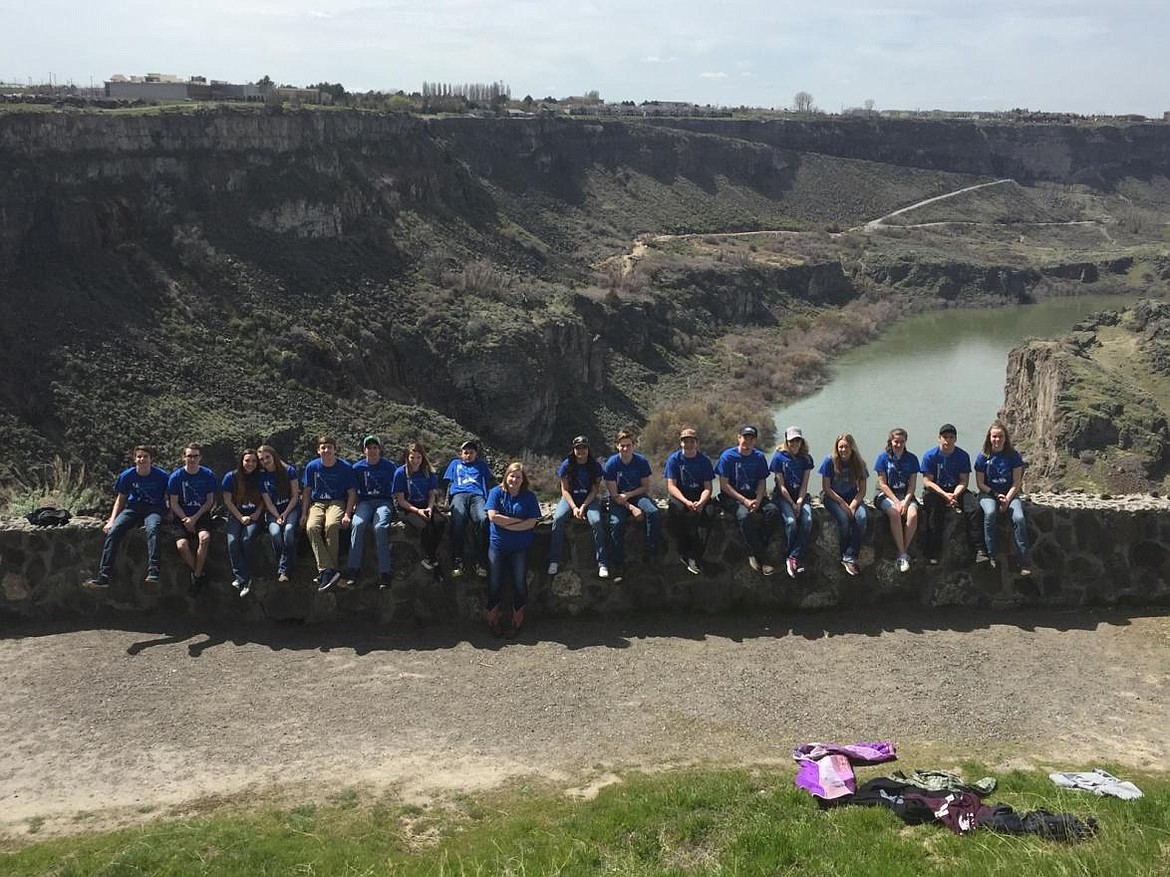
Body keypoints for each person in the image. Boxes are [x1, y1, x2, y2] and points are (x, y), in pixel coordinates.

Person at [86, 445, 170, 588]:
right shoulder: (127, 476)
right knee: (114, 531)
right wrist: (112, 520)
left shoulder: (162, 476)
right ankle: (104, 574)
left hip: (154, 509)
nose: (142, 459)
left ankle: (153, 570)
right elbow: (121, 499)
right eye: (139, 456)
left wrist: (170, 512)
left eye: (145, 456)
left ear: (151, 459)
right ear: (134, 459)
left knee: (153, 528)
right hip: (133, 508)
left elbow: (169, 496)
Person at [485, 461, 541, 636]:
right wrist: (518, 521)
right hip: (498, 545)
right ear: (506, 476)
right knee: (494, 582)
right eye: (512, 475)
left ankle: (517, 618)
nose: (514, 479)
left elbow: (532, 522)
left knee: (519, 582)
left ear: (523, 479)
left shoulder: (529, 497)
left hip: (520, 547)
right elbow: (493, 516)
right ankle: (492, 617)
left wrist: (507, 523)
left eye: (518, 477)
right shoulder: (496, 492)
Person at [716, 425, 779, 575]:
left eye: (751, 439)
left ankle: (754, 549)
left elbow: (762, 482)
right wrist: (744, 501)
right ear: (739, 438)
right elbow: (724, 485)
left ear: (754, 441)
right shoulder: (727, 456)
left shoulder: (759, 457)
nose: (747, 442)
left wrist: (758, 499)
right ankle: (762, 558)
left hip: (752, 495)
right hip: (731, 496)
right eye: (745, 438)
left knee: (773, 511)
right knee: (744, 516)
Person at [920, 423, 983, 566]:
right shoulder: (930, 456)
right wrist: (945, 495)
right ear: (939, 438)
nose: (947, 440)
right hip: (936, 490)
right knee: (935, 511)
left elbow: (964, 481)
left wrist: (954, 495)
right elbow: (927, 481)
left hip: (956, 489)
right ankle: (933, 552)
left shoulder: (962, 456)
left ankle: (979, 549)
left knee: (974, 509)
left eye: (951, 437)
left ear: (955, 439)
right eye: (944, 437)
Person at [300, 435, 357, 592]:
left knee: (331, 525)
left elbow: (352, 492)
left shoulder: (345, 467)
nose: (326, 450)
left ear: (334, 449)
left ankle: (327, 572)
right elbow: (307, 491)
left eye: (329, 447)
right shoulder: (312, 467)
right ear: (318, 450)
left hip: (337, 502)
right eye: (323, 448)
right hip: (317, 503)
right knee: (311, 527)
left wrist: (347, 514)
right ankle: (329, 570)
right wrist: (304, 513)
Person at [975, 420, 1032, 575]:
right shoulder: (982, 457)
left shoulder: (1013, 456)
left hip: (1010, 495)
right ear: (989, 438)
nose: (997, 440)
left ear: (1005, 438)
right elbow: (980, 483)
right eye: (994, 437)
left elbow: (1017, 482)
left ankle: (1024, 561)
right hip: (988, 494)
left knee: (1019, 518)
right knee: (990, 513)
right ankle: (991, 554)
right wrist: (995, 495)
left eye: (1000, 436)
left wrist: (1007, 498)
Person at [603, 430, 661, 583]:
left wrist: (629, 496)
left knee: (653, 512)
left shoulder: (641, 461)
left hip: (637, 495)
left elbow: (645, 487)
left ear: (633, 446)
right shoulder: (611, 464)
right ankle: (618, 565)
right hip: (618, 499)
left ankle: (651, 553)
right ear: (617, 446)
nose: (625, 449)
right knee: (616, 523)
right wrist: (632, 508)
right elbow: (614, 495)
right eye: (622, 446)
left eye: (628, 445)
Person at [548, 435, 608, 578]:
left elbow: (595, 490)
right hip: (570, 499)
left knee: (596, 521)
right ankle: (554, 560)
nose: (581, 451)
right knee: (558, 519)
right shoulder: (567, 465)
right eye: (578, 448)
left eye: (584, 448)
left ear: (588, 449)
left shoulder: (595, 466)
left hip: (589, 499)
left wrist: (584, 506)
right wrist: (574, 507)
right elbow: (564, 490)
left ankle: (602, 563)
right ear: (573, 450)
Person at [664, 427, 717, 575]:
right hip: (681, 495)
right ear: (681, 443)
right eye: (685, 441)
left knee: (709, 514)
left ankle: (695, 555)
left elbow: (708, 487)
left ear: (696, 443)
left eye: (691, 441)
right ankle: (684, 551)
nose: (688, 444)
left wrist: (701, 502)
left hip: (699, 495)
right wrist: (686, 502)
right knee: (677, 511)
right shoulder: (674, 460)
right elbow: (671, 486)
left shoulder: (704, 461)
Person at [348, 435, 398, 588]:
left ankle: (385, 572)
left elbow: (398, 485)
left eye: (375, 447)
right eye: (369, 448)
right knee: (357, 524)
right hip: (365, 502)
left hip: (384, 502)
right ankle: (353, 569)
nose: (372, 450)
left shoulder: (389, 466)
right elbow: (353, 490)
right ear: (364, 450)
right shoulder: (357, 468)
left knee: (379, 527)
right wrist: (352, 508)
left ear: (379, 450)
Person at [168, 443, 218, 594]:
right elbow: (174, 503)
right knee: (182, 546)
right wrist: (186, 519)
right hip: (182, 516)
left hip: (200, 514)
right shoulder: (176, 477)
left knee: (204, 538)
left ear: (200, 457)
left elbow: (210, 501)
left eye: (195, 456)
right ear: (184, 457)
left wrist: (195, 518)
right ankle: (200, 573)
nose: (192, 459)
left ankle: (196, 575)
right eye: (189, 456)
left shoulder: (208, 475)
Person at [442, 439, 495, 579]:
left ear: (476, 454)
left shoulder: (481, 465)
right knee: (458, 518)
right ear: (461, 454)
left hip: (477, 496)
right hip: (459, 494)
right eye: (465, 452)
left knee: (483, 520)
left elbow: (490, 482)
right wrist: (443, 502)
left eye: (471, 452)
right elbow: (446, 483)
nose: (468, 455)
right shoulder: (455, 464)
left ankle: (480, 560)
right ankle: (457, 559)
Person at [820, 434, 868, 576]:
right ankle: (844, 553)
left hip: (852, 497)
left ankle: (850, 555)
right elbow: (826, 488)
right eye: (840, 446)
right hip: (832, 497)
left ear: (852, 448)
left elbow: (863, 490)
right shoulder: (829, 461)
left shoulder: (859, 463)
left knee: (861, 517)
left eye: (846, 446)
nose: (843, 450)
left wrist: (853, 505)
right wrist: (841, 503)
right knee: (843, 519)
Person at [771, 425, 815, 578]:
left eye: (797, 441)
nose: (795, 444)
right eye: (792, 441)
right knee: (791, 522)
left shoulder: (806, 459)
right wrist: (792, 503)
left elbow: (804, 484)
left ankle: (793, 557)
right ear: (786, 441)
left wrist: (800, 501)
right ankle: (793, 557)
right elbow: (781, 486)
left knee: (808, 520)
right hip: (783, 497)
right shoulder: (778, 458)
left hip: (800, 496)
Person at [393, 440, 445, 572]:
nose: (415, 461)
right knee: (424, 526)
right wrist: (417, 511)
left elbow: (432, 493)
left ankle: (430, 557)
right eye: (412, 457)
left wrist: (429, 508)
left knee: (440, 522)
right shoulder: (400, 473)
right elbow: (401, 500)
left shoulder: (428, 472)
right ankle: (432, 558)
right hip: (407, 508)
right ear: (407, 458)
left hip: (426, 505)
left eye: (418, 457)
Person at [874, 428, 920, 573]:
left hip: (905, 495)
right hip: (885, 495)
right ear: (890, 442)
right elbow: (882, 484)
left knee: (912, 515)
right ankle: (902, 553)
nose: (898, 445)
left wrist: (905, 501)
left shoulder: (912, 459)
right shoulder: (883, 458)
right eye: (896, 442)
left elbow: (912, 485)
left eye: (901, 442)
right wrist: (896, 501)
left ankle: (903, 552)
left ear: (905, 442)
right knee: (894, 513)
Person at [222, 448, 264, 597]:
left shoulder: (261, 477)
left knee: (247, 540)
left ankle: (245, 578)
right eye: (247, 460)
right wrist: (240, 517)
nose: (250, 464)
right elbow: (227, 501)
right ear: (241, 461)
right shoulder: (231, 477)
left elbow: (264, 500)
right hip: (236, 515)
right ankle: (241, 578)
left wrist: (255, 515)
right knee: (233, 542)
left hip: (254, 516)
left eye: (254, 461)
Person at [258, 444, 300, 584]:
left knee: (288, 531)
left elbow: (295, 495)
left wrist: (285, 513)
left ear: (273, 456)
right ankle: (289, 564)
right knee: (275, 534)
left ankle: (283, 570)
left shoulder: (289, 471)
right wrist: (277, 516)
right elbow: (267, 502)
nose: (265, 461)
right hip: (273, 512)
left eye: (267, 457)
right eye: (262, 459)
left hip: (291, 508)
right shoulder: (262, 477)